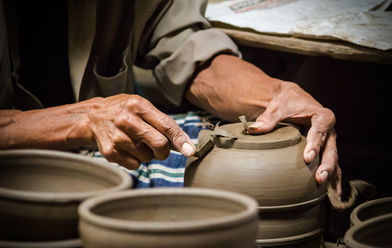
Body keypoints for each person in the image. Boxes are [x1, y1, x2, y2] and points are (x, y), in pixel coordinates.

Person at [0, 0, 341, 194]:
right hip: (14, 165)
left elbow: (186, 50)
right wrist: (83, 119)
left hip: (92, 152)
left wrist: (274, 94)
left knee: (215, 147)